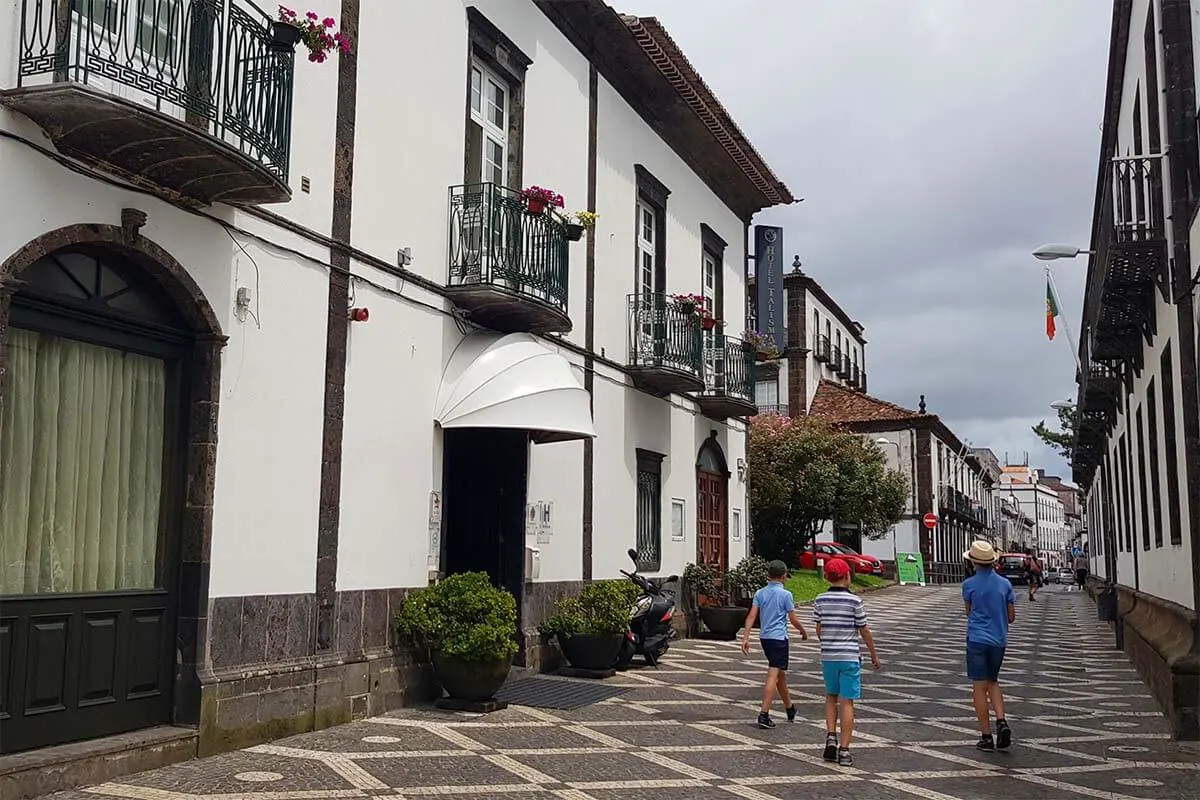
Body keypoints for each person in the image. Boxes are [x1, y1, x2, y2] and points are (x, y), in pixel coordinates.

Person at [813, 557, 879, 767]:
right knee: (847, 701)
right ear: (848, 576)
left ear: (828, 578)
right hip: (849, 656)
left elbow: (819, 629)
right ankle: (844, 750)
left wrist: (827, 641)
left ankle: (830, 737)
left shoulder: (820, 600)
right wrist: (873, 653)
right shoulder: (855, 601)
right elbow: (864, 629)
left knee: (830, 697)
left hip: (828, 657)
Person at [741, 559, 808, 729]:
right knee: (773, 674)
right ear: (784, 575)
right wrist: (802, 630)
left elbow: (751, 616)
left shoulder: (760, 593)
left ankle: (789, 707)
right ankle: (764, 713)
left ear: (768, 576)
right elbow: (792, 618)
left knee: (779, 674)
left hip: (765, 638)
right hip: (779, 638)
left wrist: (746, 637)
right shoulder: (786, 595)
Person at [962, 540, 1015, 752]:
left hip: (977, 640)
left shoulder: (969, 585)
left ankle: (986, 736)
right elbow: (1011, 617)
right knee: (993, 681)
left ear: (974, 562)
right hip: (999, 641)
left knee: (978, 687)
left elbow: (968, 612)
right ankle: (1001, 721)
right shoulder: (1005, 584)